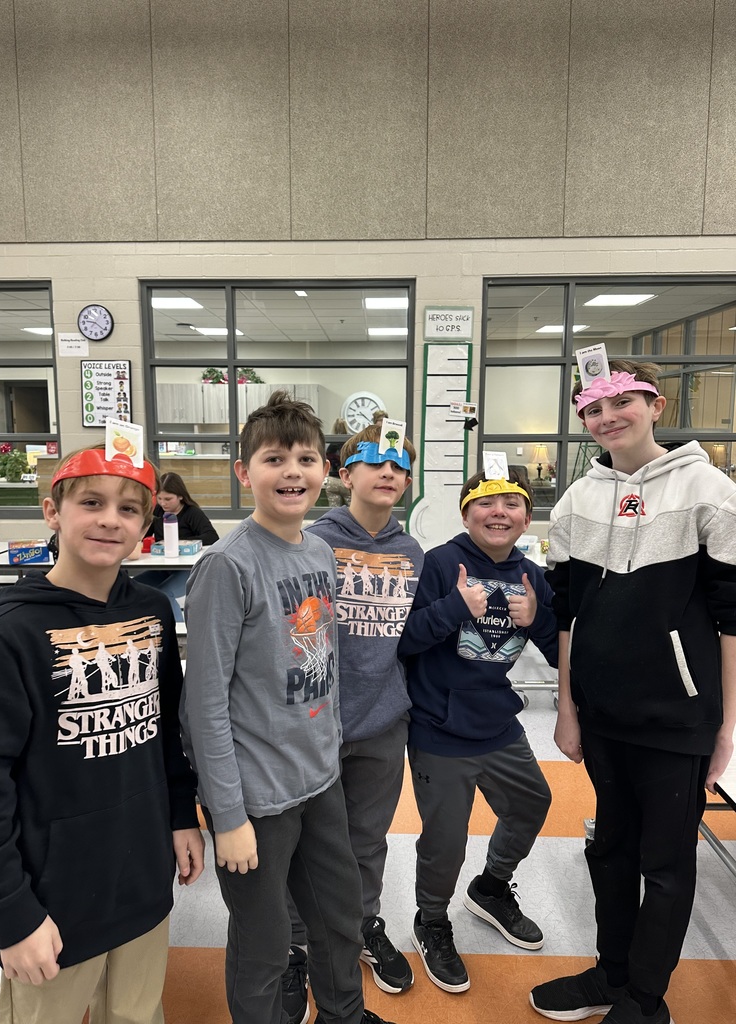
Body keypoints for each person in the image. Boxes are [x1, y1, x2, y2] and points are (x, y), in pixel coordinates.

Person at [181, 391, 398, 1024]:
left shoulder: (318, 551)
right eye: (274, 459)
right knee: (266, 942)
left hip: (320, 782)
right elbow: (204, 705)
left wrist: (330, 755)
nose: (292, 472)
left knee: (338, 918)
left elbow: (323, 667)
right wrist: (227, 816)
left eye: (305, 459)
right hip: (256, 799)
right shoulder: (227, 565)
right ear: (244, 472)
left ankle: (343, 1014)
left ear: (325, 471)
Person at [530, 360, 736, 1024]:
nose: (607, 417)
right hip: (602, 715)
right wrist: (566, 707)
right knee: (610, 850)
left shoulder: (708, 489)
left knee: (665, 863)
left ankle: (646, 1001)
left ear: (656, 404)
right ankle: (611, 974)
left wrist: (726, 726)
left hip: (678, 718)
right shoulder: (577, 499)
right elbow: (567, 613)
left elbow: (732, 617)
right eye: (593, 409)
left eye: (623, 401)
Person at [0, 444, 204, 1024]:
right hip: (53, 897)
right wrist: (9, 911)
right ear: (53, 512)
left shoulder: (151, 611)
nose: (110, 520)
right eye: (92, 502)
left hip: (142, 876)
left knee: (136, 1013)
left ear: (145, 527)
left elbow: (166, 733)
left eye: (129, 509)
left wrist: (181, 816)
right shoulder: (8, 632)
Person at [282, 425, 424, 1022]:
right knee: (305, 844)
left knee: (367, 838)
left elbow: (413, 637)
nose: (387, 472)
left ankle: (362, 924)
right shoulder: (313, 542)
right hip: (317, 724)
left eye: (399, 465)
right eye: (374, 462)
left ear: (408, 481)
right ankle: (295, 946)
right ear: (346, 474)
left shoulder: (413, 552)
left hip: (383, 723)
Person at [399, 468, 557, 993]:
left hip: (497, 723)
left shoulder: (531, 575)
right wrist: (453, 607)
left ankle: (490, 888)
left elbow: (560, 653)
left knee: (532, 803)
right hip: (439, 728)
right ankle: (431, 920)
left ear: (527, 519)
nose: (499, 512)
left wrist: (536, 618)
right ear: (466, 513)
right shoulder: (440, 563)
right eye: (486, 502)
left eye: (512, 503)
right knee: (446, 841)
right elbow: (404, 641)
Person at [141, 471, 219, 622]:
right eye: (159, 499)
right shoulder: (158, 511)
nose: (163, 503)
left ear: (180, 496)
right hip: (163, 568)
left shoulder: (192, 513)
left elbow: (212, 537)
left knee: (164, 593)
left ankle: (179, 633)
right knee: (133, 587)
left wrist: (181, 543)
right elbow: (144, 536)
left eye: (168, 499)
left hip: (189, 570)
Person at [324, 417, 352, 507]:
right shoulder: (349, 444)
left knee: (333, 509)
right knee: (352, 509)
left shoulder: (330, 444)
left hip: (333, 480)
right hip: (346, 479)